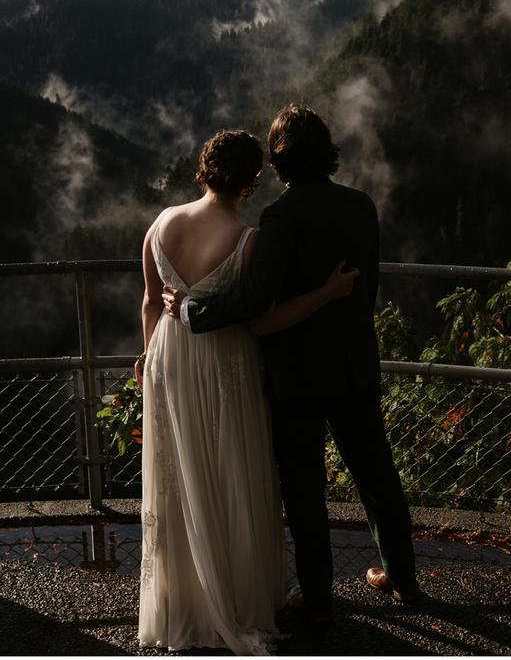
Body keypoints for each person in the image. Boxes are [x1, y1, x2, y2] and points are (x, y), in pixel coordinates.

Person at [165, 104, 420, 623]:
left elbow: (258, 300)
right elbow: (365, 287)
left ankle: (319, 597)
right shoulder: (361, 206)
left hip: (296, 374)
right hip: (353, 365)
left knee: (305, 489)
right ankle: (403, 577)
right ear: (326, 150)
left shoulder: (280, 218)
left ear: (279, 161)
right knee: (377, 476)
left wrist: (193, 310)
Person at [137, 129, 359, 655]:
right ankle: (232, 601)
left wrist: (151, 359)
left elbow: (150, 302)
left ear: (204, 168)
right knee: (229, 472)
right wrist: (326, 293)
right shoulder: (246, 238)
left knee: (180, 477)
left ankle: (181, 603)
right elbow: (264, 322)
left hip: (169, 361)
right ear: (252, 179)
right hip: (223, 365)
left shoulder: (162, 223)